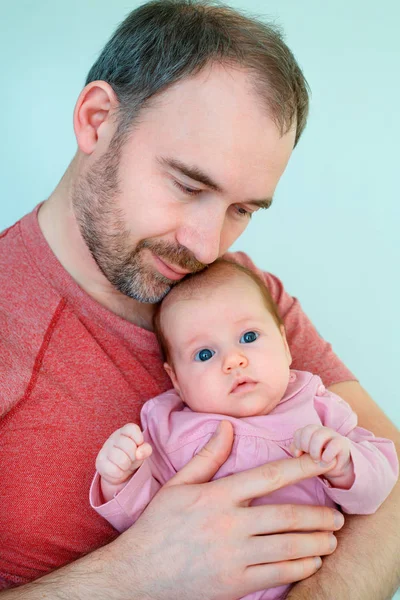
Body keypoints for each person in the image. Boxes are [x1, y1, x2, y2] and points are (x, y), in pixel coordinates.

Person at [0, 1, 399, 598]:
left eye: (242, 210)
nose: (207, 245)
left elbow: (393, 491)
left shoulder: (238, 292)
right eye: (189, 185)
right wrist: (131, 576)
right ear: (97, 119)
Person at [91, 259, 398, 599]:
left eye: (249, 336)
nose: (233, 360)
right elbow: (147, 529)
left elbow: (382, 488)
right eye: (205, 353)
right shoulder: (169, 431)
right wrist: (120, 479)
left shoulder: (318, 407)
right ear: (176, 379)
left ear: (284, 344)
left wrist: (347, 464)